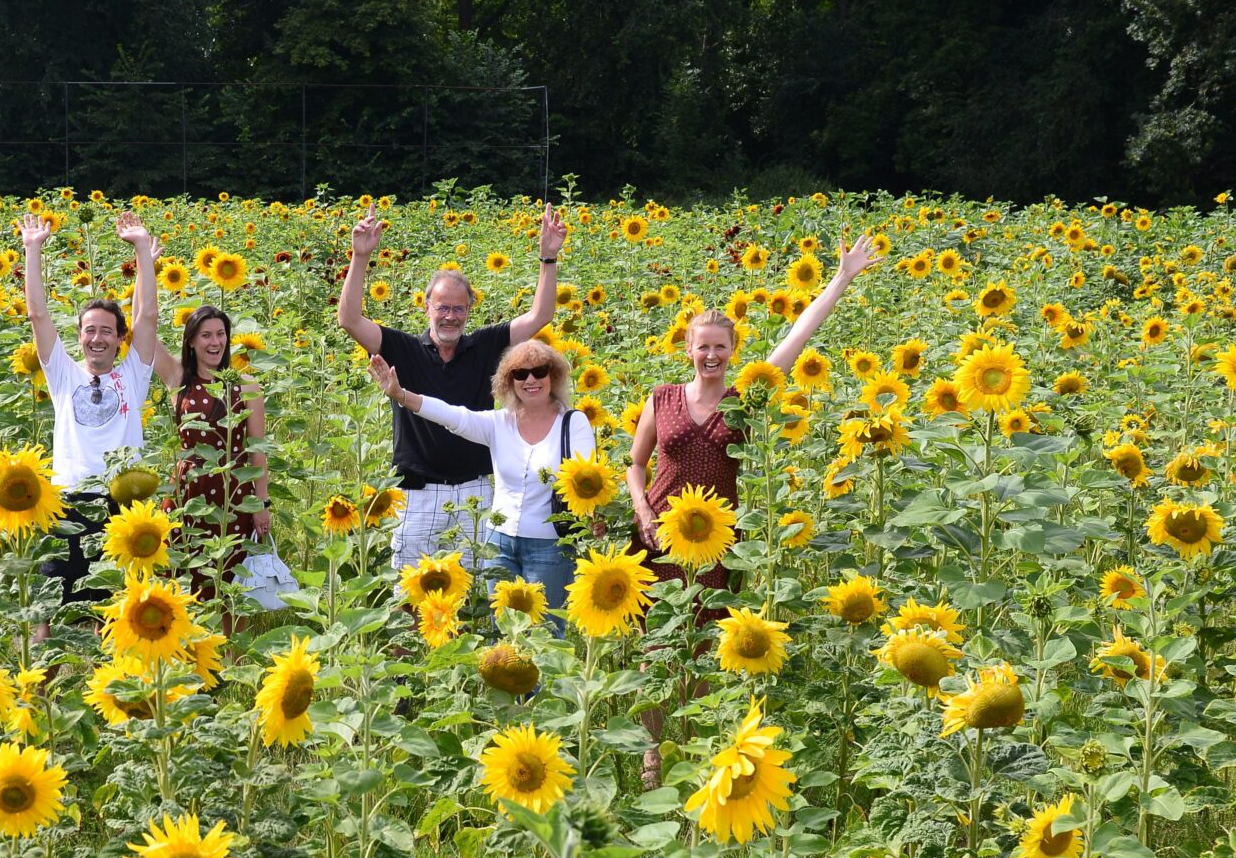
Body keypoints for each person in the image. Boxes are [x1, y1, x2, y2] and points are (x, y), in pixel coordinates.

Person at [625, 233, 886, 585]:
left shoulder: (746, 398)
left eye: (720, 346)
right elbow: (636, 464)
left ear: (733, 349)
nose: (712, 355)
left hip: (715, 537)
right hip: (658, 531)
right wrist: (642, 510)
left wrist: (842, 278)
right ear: (689, 350)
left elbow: (798, 335)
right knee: (658, 630)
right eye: (703, 346)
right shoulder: (663, 398)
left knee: (710, 630)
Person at [336, 203, 564, 576]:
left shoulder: (486, 346)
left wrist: (548, 257)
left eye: (459, 309)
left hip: (474, 492)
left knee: (473, 593)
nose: (450, 317)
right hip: (418, 493)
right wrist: (360, 257)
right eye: (443, 307)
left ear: (469, 310)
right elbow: (349, 320)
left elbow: (540, 316)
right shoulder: (402, 348)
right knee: (411, 592)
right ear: (427, 307)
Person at [368, 339, 593, 626]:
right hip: (498, 545)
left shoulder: (573, 424)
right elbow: (451, 415)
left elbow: (588, 482)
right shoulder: (499, 424)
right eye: (520, 374)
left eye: (540, 370)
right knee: (504, 630)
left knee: (546, 630)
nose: (531, 379)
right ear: (509, 382)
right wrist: (401, 395)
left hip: (549, 545)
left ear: (554, 375)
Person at [116, 213, 271, 607]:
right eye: (206, 335)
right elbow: (139, 328)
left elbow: (257, 450)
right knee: (177, 578)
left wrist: (262, 504)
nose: (215, 342)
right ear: (192, 341)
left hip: (233, 497)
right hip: (187, 494)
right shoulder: (178, 377)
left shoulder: (246, 386)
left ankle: (224, 658)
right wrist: (144, 266)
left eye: (220, 334)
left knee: (226, 584)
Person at [22, 211, 155, 610]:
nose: (97, 338)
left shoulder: (134, 374)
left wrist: (143, 249)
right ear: (79, 336)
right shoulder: (63, 374)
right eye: (89, 330)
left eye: (106, 331)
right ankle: (43, 673)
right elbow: (37, 315)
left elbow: (147, 315)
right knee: (51, 598)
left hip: (122, 501)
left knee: (116, 601)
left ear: (119, 339)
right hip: (69, 498)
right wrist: (33, 249)